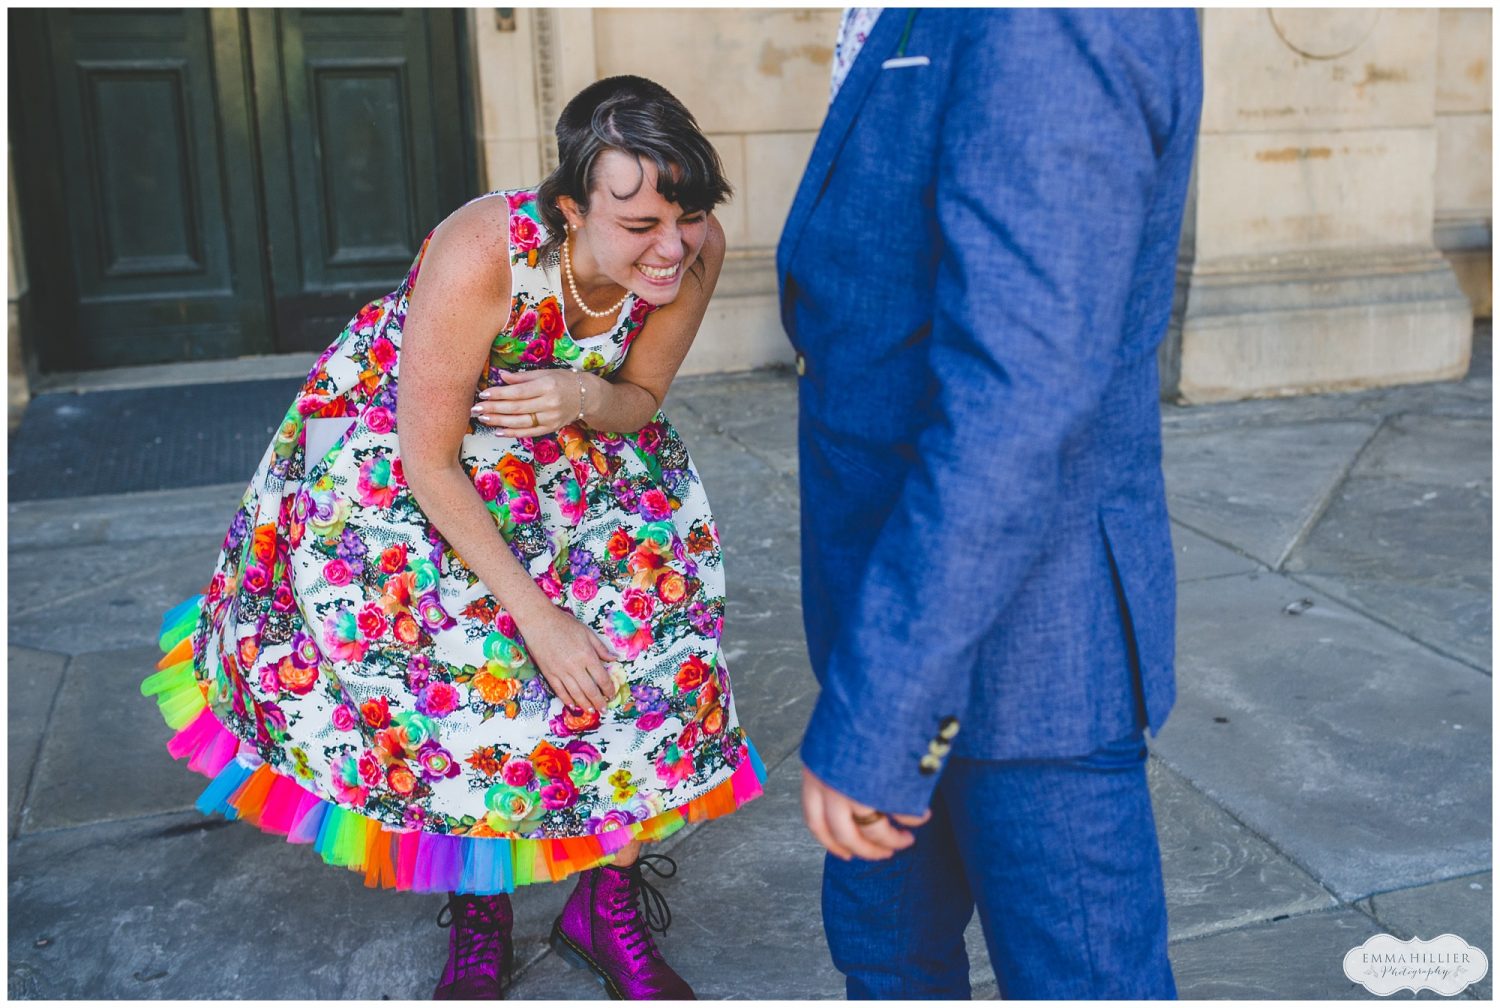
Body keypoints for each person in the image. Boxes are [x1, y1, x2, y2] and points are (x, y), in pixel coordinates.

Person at [143, 75, 765, 1001]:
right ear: (571, 208)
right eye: (640, 226)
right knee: (465, 677)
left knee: (647, 662)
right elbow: (427, 462)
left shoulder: (692, 247)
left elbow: (638, 399)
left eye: (689, 215)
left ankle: (605, 907)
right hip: (416, 458)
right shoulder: (483, 251)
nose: (672, 246)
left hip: (578, 445)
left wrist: (582, 395)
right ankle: (482, 911)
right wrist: (539, 618)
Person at [777, 8, 1202, 1000]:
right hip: (889, 610)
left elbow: (1017, 399)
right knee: (888, 964)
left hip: (1026, 661)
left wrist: (886, 715)